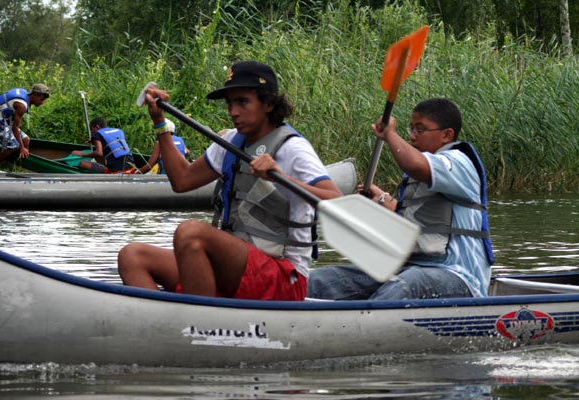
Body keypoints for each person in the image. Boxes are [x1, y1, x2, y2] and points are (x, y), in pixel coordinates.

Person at [118, 60, 342, 300]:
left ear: (267, 103)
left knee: (191, 233)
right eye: (230, 103)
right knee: (133, 256)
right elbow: (182, 181)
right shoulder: (231, 142)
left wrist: (282, 176)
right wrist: (160, 122)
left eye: (243, 102)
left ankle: (202, 324)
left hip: (283, 277)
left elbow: (337, 202)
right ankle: (169, 328)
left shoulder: (293, 149)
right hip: (235, 270)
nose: (233, 112)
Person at [307, 98, 494, 300]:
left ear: (446, 135)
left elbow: (414, 164)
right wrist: (382, 201)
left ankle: (366, 325)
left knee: (406, 284)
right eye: (411, 129)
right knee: (323, 280)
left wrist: (390, 134)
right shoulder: (424, 172)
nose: (412, 136)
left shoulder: (458, 162)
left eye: (420, 130)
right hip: (409, 266)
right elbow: (420, 224)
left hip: (458, 275)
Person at [0, 83, 50, 168]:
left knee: (26, 140)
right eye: (41, 99)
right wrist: (22, 147)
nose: (42, 103)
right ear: (34, 95)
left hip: (5, 122)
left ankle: (20, 164)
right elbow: (15, 128)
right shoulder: (22, 106)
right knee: (13, 146)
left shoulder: (25, 96)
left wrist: (23, 146)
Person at [70, 116, 136, 173]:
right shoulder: (118, 130)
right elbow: (112, 143)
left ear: (97, 127)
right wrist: (93, 140)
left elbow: (99, 153)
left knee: (82, 163)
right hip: (132, 167)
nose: (92, 132)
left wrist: (83, 154)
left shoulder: (97, 134)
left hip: (117, 171)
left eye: (92, 130)